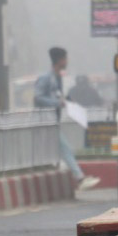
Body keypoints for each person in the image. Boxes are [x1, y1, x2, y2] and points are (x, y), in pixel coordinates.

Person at [34, 47, 87, 184]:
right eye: (65, 58)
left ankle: (73, 174)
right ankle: (79, 176)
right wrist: (58, 103)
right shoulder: (46, 78)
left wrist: (68, 102)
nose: (67, 61)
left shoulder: (58, 78)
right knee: (65, 148)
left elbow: (59, 96)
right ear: (60, 60)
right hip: (46, 122)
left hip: (54, 122)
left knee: (55, 150)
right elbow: (38, 98)